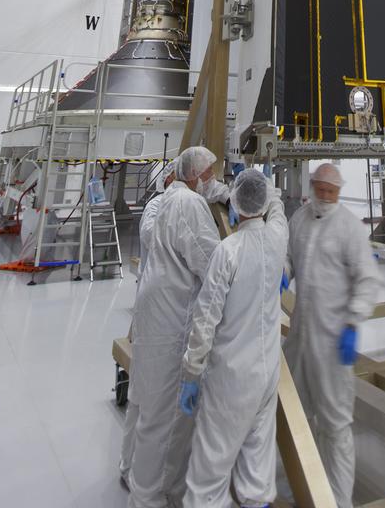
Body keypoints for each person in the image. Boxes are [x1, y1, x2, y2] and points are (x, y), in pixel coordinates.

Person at [180, 169, 288, 508]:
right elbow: (279, 208)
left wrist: (192, 372)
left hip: (231, 378)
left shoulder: (228, 252)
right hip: (268, 372)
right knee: (257, 463)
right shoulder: (278, 237)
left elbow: (205, 317)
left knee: (209, 470)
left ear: (236, 205)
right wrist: (269, 188)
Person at [126, 145, 222, 508]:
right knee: (165, 419)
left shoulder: (167, 199)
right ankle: (150, 497)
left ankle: (146, 489)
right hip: (172, 319)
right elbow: (210, 260)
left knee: (152, 412)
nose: (211, 181)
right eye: (209, 175)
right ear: (196, 176)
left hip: (156, 311)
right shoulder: (190, 204)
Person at [284, 163, 378, 508]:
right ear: (311, 187)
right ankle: (307, 488)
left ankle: (338, 501)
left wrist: (353, 323)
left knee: (336, 426)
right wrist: (283, 273)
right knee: (298, 416)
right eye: (320, 190)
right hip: (300, 338)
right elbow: (290, 258)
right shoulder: (299, 219)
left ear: (338, 192)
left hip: (333, 343)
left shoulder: (350, 228)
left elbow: (367, 280)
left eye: (331, 192)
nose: (324, 197)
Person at [119, 159, 177, 488]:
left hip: (166, 310)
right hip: (154, 311)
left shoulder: (171, 207)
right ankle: (133, 470)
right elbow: (161, 242)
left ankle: (142, 468)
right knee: (145, 397)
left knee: (152, 398)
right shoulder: (157, 209)